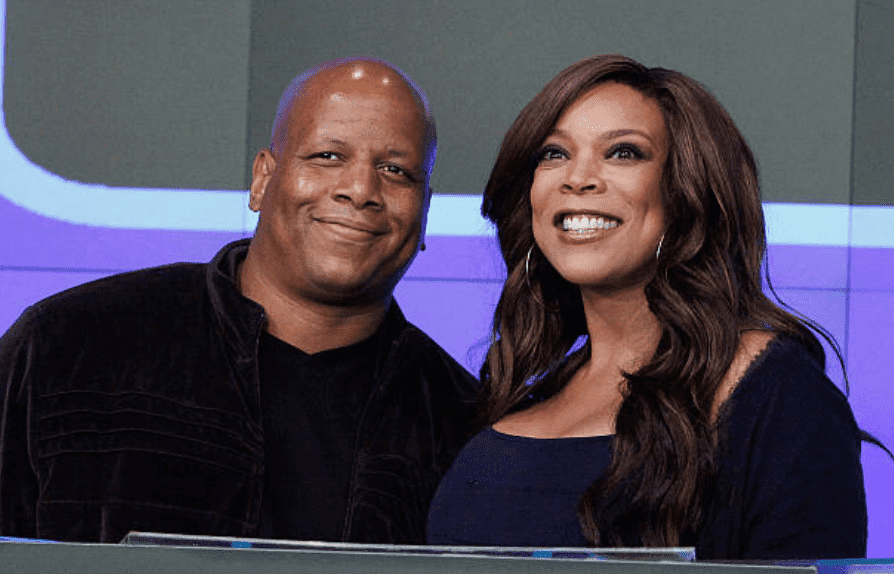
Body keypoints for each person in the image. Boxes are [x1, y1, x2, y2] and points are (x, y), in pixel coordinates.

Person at [0, 57, 476, 544]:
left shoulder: (467, 427)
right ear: (263, 180)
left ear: (425, 213)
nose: (360, 190)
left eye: (396, 171)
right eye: (328, 157)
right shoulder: (66, 347)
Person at [426, 54, 869, 560]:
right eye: (553, 154)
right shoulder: (518, 392)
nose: (578, 178)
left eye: (622, 153)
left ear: (687, 191)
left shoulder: (777, 392)